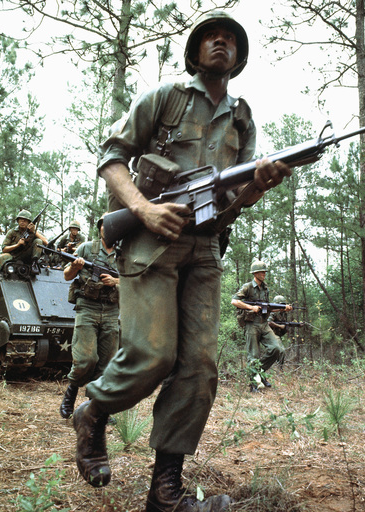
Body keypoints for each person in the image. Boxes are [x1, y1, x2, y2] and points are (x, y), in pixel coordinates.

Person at [72, 11, 293, 512]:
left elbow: (237, 196)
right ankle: (93, 411)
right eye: (212, 37)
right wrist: (143, 209)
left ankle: (164, 492)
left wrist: (258, 184)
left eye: (231, 39)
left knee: (199, 367)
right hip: (151, 243)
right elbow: (112, 158)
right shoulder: (166, 96)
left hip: (206, 249)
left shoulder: (241, 116)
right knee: (153, 355)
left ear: (239, 58)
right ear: (195, 51)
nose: (222, 43)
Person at [59, 216, 119, 419]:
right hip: (87, 308)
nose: (107, 229)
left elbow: (137, 281)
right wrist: (75, 266)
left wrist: (115, 281)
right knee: (86, 359)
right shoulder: (86, 248)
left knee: (107, 363)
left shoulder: (125, 255)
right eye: (104, 225)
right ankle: (71, 393)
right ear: (100, 228)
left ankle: (97, 406)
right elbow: (67, 275)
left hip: (112, 311)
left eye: (112, 226)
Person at [231, 261, 291, 392]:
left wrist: (282, 309)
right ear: (255, 273)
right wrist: (250, 307)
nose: (264, 274)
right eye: (262, 272)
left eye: (265, 272)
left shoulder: (265, 289)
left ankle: (260, 372)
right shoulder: (247, 287)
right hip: (251, 325)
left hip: (264, 324)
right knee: (253, 355)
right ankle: (254, 384)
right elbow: (234, 301)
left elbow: (266, 308)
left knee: (277, 349)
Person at [0, 210, 48, 295]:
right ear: (17, 221)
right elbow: (4, 248)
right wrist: (17, 245)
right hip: (13, 255)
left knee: (38, 241)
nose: (22, 221)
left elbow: (46, 242)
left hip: (28, 255)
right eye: (20, 219)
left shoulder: (34, 231)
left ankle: (34, 265)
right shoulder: (12, 232)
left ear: (29, 222)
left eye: (25, 220)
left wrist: (34, 232)